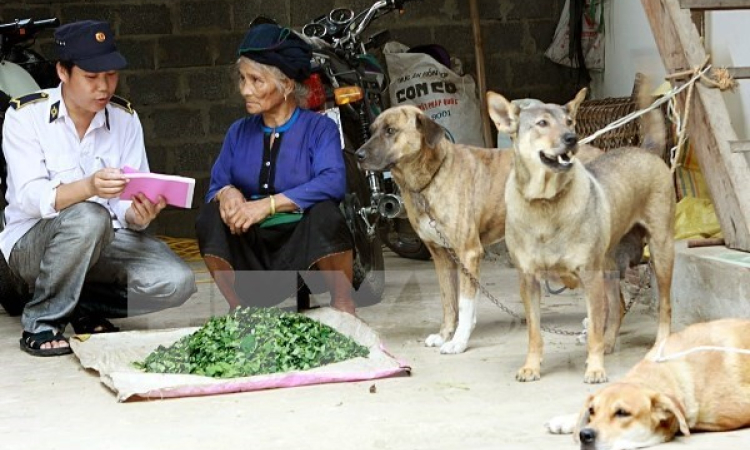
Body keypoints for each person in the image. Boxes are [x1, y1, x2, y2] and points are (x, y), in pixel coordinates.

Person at [0, 20, 197, 357]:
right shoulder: (25, 116)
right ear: (63, 72)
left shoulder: (124, 118)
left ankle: (78, 306)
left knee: (177, 281)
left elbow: (126, 205)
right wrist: (89, 186)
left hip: (105, 239)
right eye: (91, 77)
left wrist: (138, 213)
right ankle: (42, 322)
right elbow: (32, 199)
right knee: (90, 216)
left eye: (111, 75)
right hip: (31, 244)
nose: (103, 87)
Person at [195, 23, 356, 315]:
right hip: (253, 253)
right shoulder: (238, 132)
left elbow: (333, 182)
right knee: (209, 217)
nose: (245, 90)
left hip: (305, 254)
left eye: (256, 80)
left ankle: (342, 302)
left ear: (287, 85)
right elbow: (216, 184)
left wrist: (267, 206)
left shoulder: (320, 128)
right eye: (243, 79)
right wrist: (227, 194)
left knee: (326, 215)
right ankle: (241, 309)